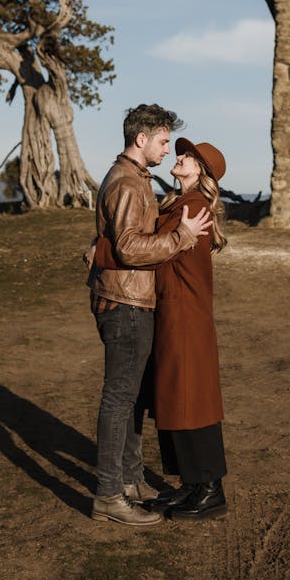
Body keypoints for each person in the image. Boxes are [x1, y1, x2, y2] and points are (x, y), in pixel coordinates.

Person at [87, 104, 212, 527]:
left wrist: (99, 250)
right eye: (162, 141)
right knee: (120, 397)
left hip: (134, 299)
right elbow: (129, 247)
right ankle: (109, 493)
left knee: (133, 398)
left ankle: (131, 478)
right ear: (141, 139)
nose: (166, 150)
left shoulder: (137, 180)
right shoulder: (126, 182)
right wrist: (180, 236)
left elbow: (118, 243)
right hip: (125, 302)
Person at [151, 137, 229, 521]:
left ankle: (210, 489)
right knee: (179, 397)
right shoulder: (181, 204)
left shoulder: (194, 207)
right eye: (180, 152)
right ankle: (194, 485)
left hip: (184, 314)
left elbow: (158, 249)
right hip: (177, 311)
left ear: (201, 171)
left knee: (189, 400)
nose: (178, 157)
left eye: (188, 156)